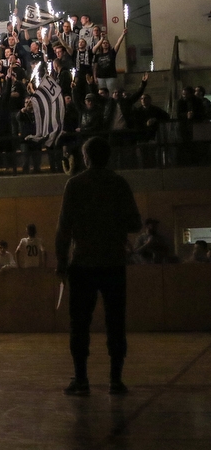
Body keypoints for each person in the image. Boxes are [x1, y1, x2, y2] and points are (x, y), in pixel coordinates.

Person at [55, 136, 142, 396]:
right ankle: (116, 379)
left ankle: (81, 379)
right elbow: (135, 223)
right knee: (116, 322)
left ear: (85, 157)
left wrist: (61, 262)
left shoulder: (75, 184)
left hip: (82, 262)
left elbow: (64, 229)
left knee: (79, 324)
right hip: (113, 262)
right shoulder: (118, 184)